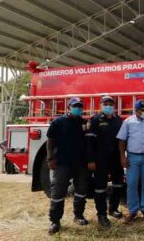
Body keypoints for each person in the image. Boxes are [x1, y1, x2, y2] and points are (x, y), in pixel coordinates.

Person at [46, 97, 89, 235]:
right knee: (58, 192)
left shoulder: (83, 122)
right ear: (68, 107)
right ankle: (55, 221)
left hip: (81, 163)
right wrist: (50, 158)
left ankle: (78, 215)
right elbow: (50, 141)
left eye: (80, 106)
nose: (78, 109)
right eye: (75, 106)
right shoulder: (58, 122)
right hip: (63, 162)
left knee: (81, 190)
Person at [116, 100, 144, 224]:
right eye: (143, 111)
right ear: (136, 111)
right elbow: (122, 140)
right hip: (132, 157)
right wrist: (122, 157)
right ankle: (133, 210)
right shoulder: (128, 122)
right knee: (132, 184)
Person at [85, 96, 124, 227]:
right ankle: (101, 215)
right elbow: (89, 142)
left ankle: (113, 209)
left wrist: (123, 156)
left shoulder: (118, 120)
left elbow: (122, 140)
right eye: (105, 103)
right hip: (100, 159)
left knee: (118, 184)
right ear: (100, 105)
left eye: (111, 104)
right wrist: (90, 160)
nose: (108, 106)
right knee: (100, 188)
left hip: (116, 158)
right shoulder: (95, 120)